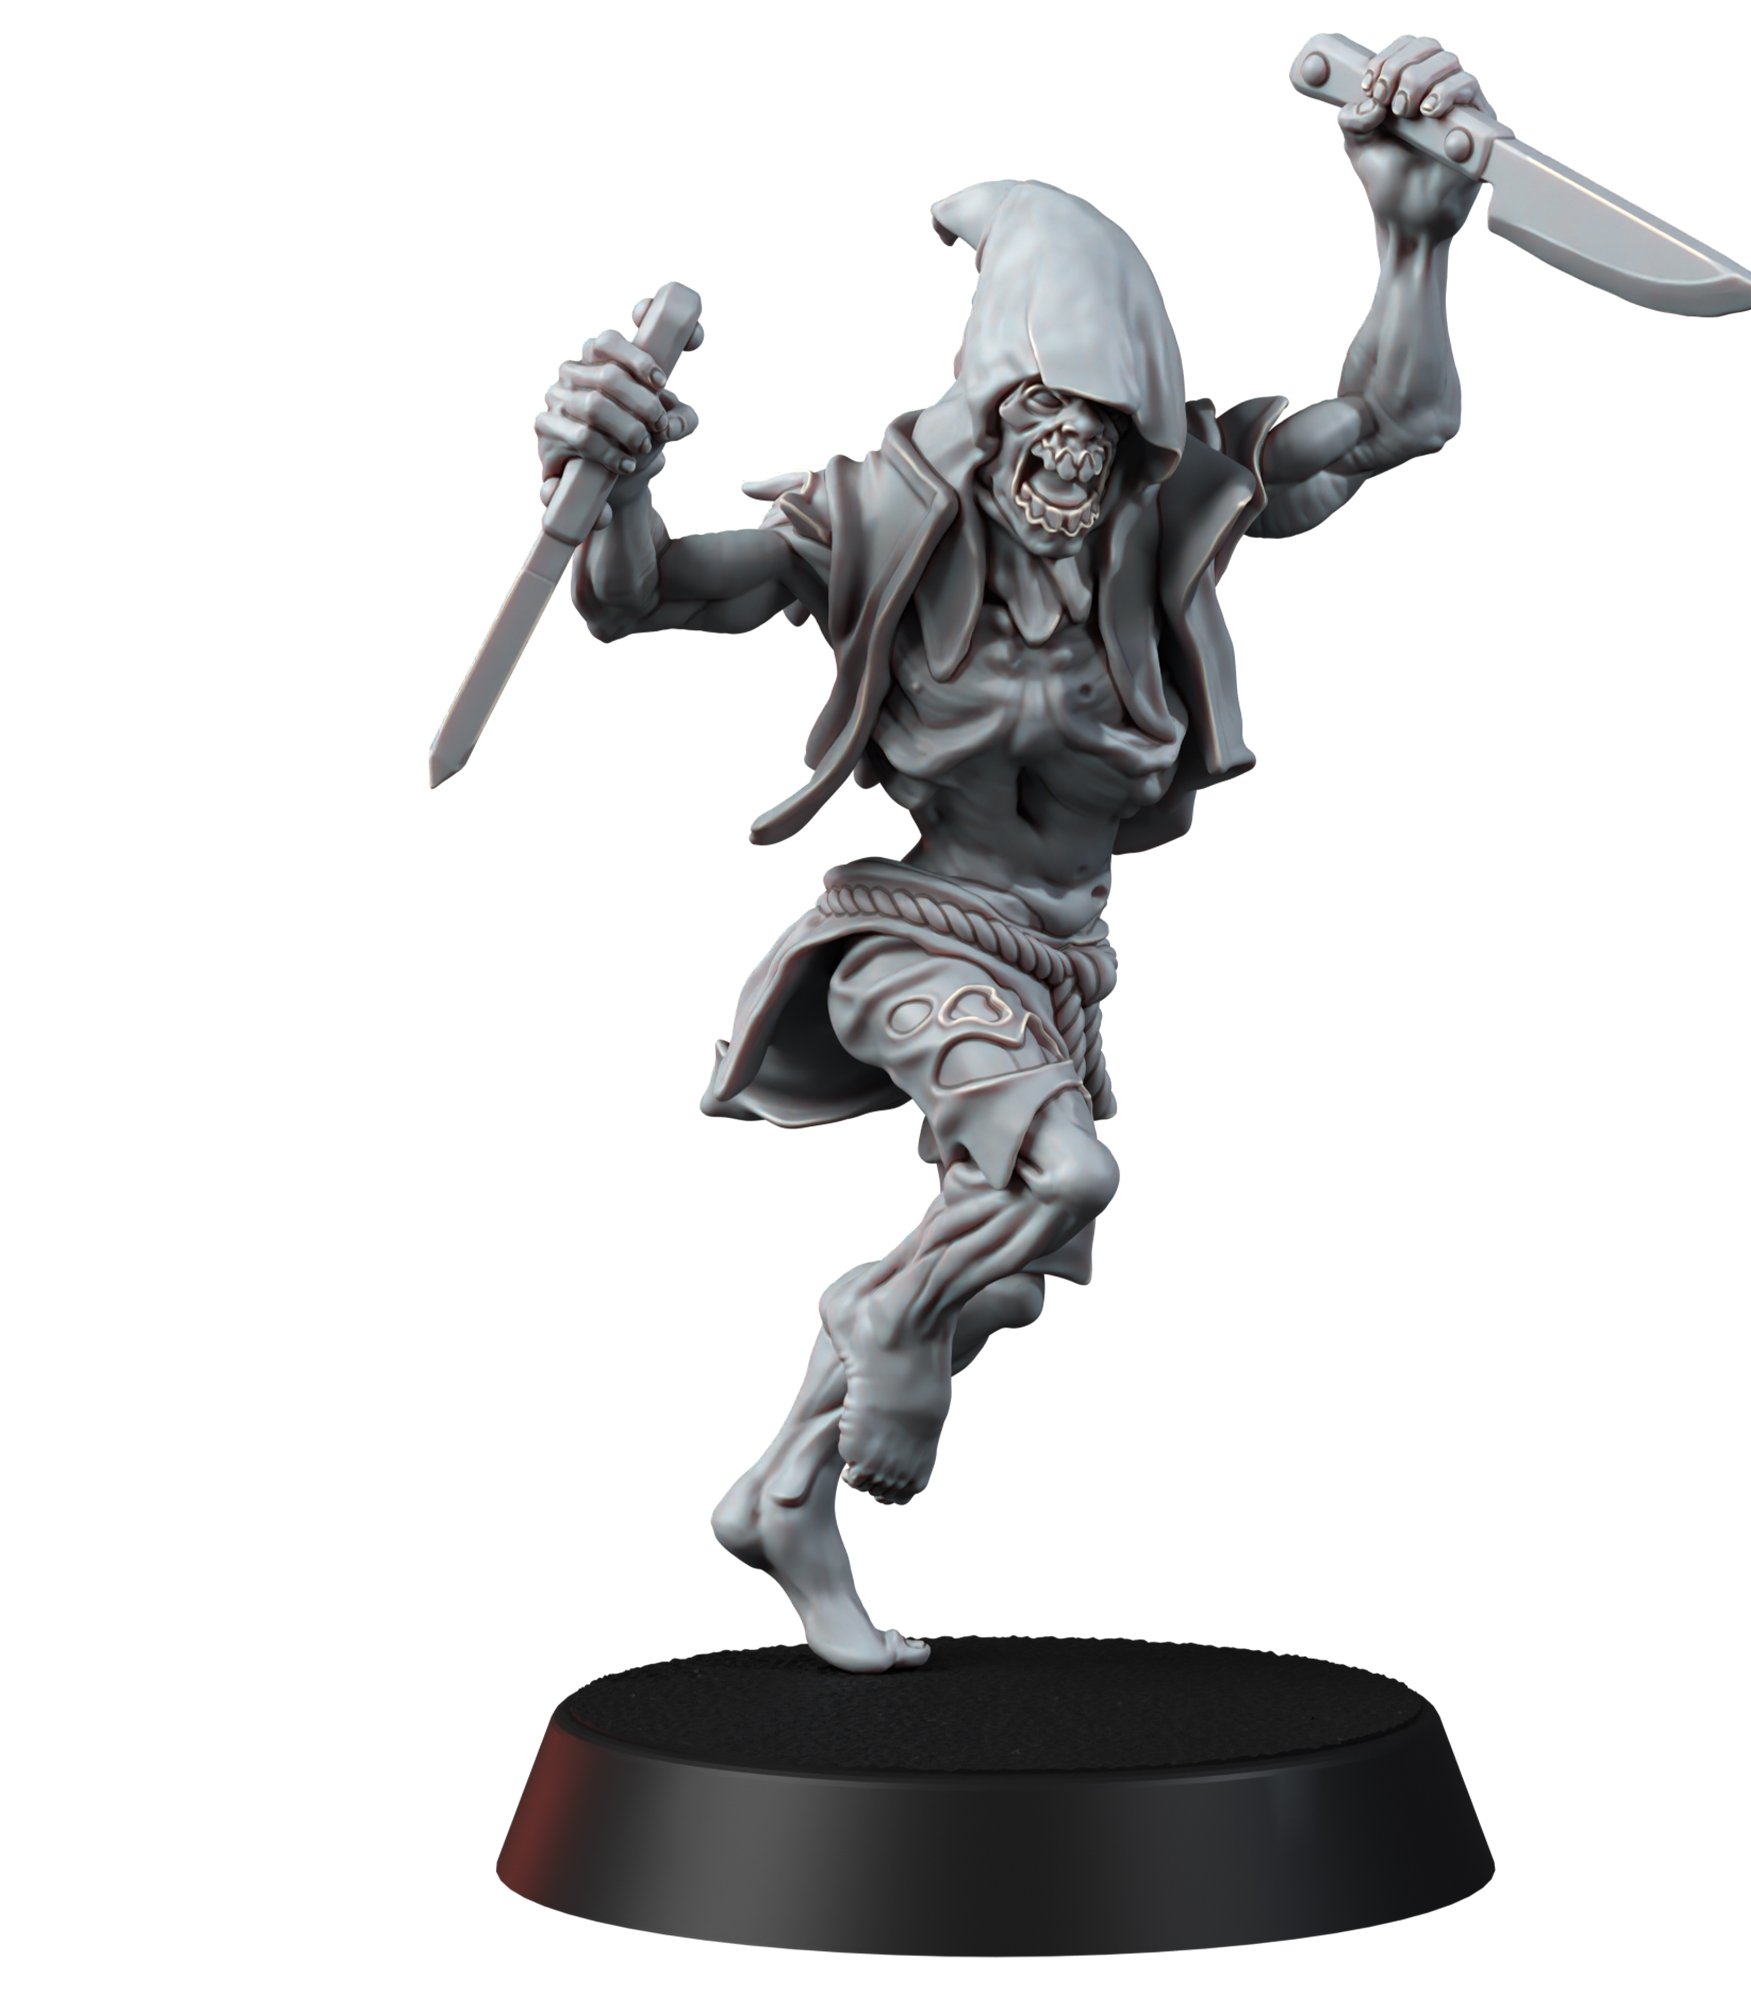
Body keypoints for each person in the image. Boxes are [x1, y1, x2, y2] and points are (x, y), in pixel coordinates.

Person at [533, 38, 1492, 1670]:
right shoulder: (875, 520)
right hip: (912, 932)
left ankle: (784, 1492)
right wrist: (602, 475)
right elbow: (643, 595)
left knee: (1001, 1269)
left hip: (1059, 959)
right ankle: (875, 1320)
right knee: (1063, 1178)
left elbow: (1390, 422)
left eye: (1100, 429)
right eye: (1038, 419)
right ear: (986, 410)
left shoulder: (1180, 503)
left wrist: (1414, 237)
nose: (1066, 461)